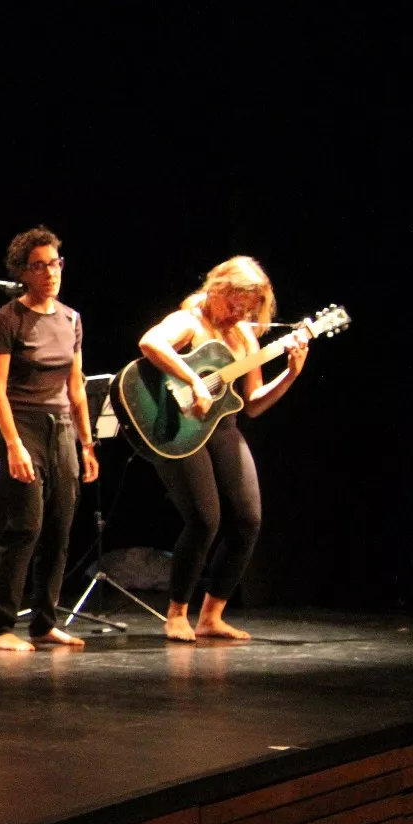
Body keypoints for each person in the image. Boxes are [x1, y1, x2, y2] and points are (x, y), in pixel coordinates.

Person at [136, 256, 304, 641]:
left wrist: (291, 373)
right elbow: (150, 342)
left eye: (248, 309)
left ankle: (211, 615)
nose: (239, 315)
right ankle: (177, 613)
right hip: (180, 425)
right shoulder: (189, 321)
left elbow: (254, 402)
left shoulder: (244, 336)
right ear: (216, 289)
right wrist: (194, 379)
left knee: (248, 519)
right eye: (234, 305)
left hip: (223, 426)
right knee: (205, 519)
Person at [0, 227, 99, 651]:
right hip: (23, 423)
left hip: (63, 427)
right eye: (39, 266)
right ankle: (1, 627)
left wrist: (87, 444)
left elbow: (76, 385)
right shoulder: (8, 318)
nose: (50, 273)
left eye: (55, 263)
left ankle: (45, 622)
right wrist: (12, 444)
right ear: (22, 273)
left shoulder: (71, 319)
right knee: (26, 526)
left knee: (59, 527)